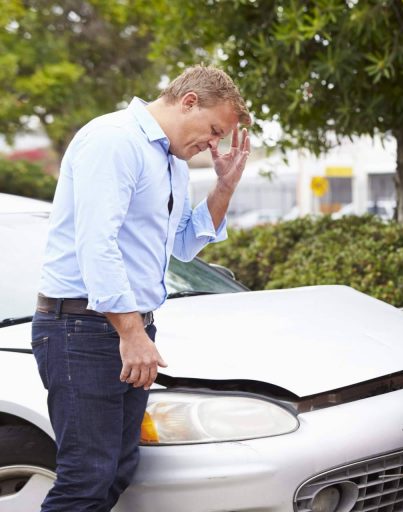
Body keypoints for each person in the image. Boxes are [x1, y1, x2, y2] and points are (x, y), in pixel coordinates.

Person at [31, 65, 251, 511]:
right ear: (188, 101)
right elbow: (97, 244)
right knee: (86, 476)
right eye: (213, 130)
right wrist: (132, 334)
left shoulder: (171, 160)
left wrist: (224, 187)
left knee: (118, 468)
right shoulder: (114, 140)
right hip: (81, 329)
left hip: (126, 328)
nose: (213, 145)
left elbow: (184, 246)